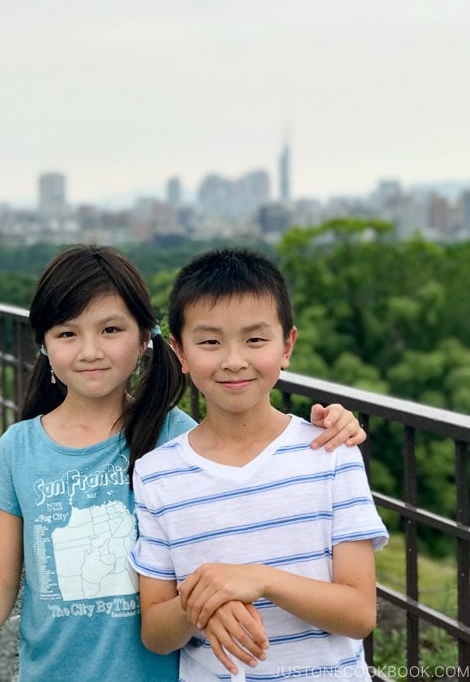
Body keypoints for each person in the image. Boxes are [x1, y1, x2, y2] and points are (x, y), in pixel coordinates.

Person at [0, 244, 369, 682]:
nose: (90, 350)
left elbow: (241, 457)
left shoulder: (173, 438)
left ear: (145, 340)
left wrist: (335, 424)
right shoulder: (21, 447)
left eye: (111, 330)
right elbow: (0, 576)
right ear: (44, 346)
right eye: (67, 333)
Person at [129, 247, 388, 681]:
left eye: (255, 339)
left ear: (287, 345)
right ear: (180, 351)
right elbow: (156, 631)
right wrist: (205, 603)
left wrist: (260, 580)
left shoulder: (331, 450)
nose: (234, 360)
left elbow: (359, 613)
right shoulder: (157, 474)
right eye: (210, 341)